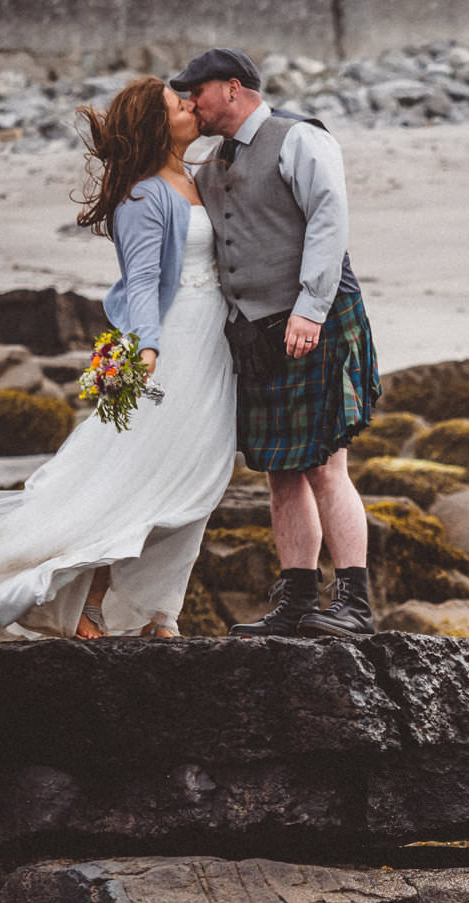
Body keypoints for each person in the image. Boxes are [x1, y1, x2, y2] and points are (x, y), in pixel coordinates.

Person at [0, 78, 237, 641]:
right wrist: (147, 348)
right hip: (171, 347)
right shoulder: (141, 195)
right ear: (157, 126)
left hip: (212, 350)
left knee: (196, 480)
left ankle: (156, 610)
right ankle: (85, 602)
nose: (189, 105)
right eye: (176, 105)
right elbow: (143, 281)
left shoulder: (199, 177)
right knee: (140, 478)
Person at [171, 48, 381, 638]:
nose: (192, 103)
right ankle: (297, 603)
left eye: (199, 92)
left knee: (324, 463)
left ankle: (356, 604)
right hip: (257, 331)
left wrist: (311, 310)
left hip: (315, 317)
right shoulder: (212, 165)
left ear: (233, 88)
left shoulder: (299, 139)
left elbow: (328, 219)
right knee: (280, 472)